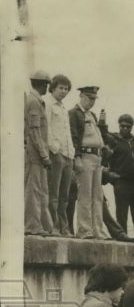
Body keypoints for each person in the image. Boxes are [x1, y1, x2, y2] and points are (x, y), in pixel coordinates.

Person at [68, 85, 108, 240]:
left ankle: (98, 229)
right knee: (85, 195)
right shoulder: (74, 113)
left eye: (94, 99)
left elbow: (100, 136)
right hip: (84, 156)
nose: (92, 102)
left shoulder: (92, 115)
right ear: (82, 96)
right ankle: (85, 230)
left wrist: (103, 125)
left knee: (97, 195)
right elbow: (74, 136)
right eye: (90, 98)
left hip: (96, 157)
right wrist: (76, 157)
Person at [101, 113, 134, 241]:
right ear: (119, 125)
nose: (125, 129)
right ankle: (122, 240)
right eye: (122, 126)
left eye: (128, 126)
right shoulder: (113, 139)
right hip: (121, 182)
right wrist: (102, 121)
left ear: (132, 127)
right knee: (122, 215)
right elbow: (102, 134)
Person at [25, 69, 54, 236]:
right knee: (34, 191)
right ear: (42, 84)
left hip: (39, 156)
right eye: (46, 85)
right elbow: (34, 132)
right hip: (35, 155)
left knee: (41, 191)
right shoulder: (33, 102)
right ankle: (32, 226)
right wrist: (44, 155)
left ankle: (43, 225)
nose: (47, 88)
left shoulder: (36, 101)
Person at [46, 73, 74, 236]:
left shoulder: (63, 107)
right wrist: (54, 148)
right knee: (54, 193)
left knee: (65, 194)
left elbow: (67, 132)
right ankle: (54, 226)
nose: (63, 91)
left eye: (66, 89)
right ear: (53, 88)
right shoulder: (48, 104)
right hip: (56, 153)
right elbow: (47, 128)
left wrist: (72, 152)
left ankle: (65, 227)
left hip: (68, 154)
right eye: (60, 88)